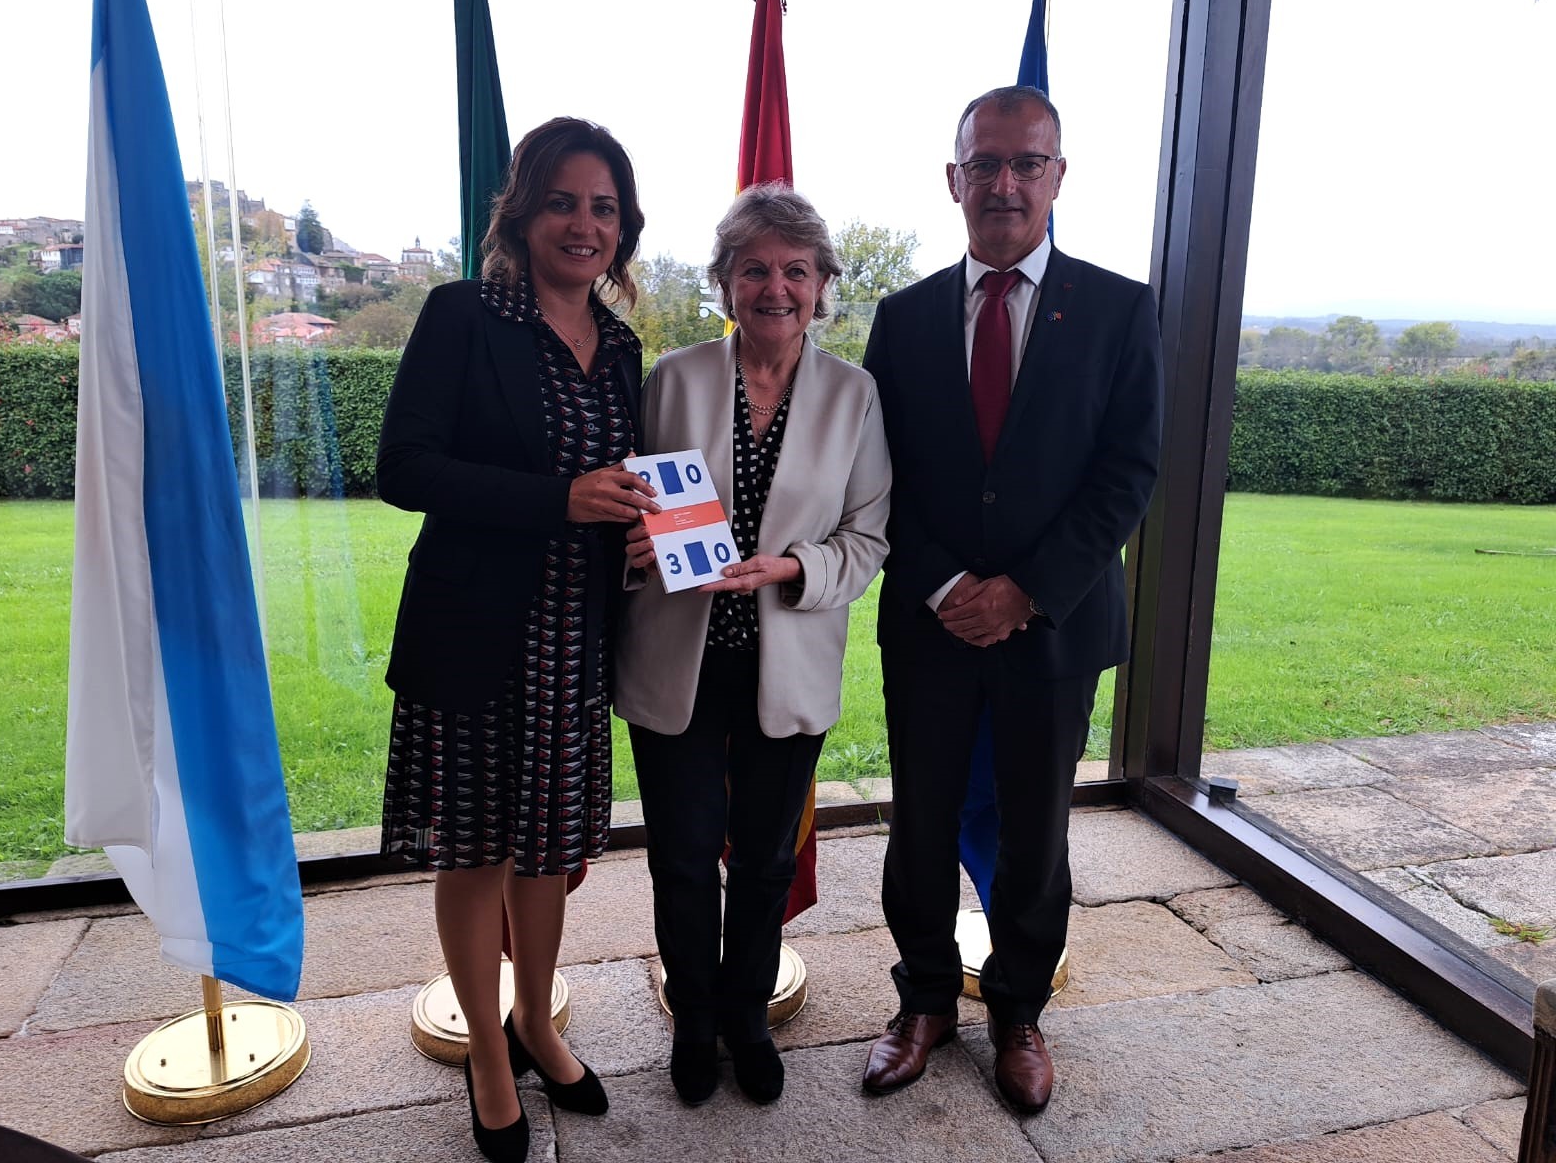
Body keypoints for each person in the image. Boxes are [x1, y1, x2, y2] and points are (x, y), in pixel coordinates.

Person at [860, 86, 1163, 1113]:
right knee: (920, 825)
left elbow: (1128, 471)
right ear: (953, 180)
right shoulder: (902, 318)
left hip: (1053, 629)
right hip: (932, 623)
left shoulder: (1120, 309)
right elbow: (877, 475)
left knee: (1035, 833)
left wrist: (1026, 592)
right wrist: (949, 583)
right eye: (984, 164)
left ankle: (1019, 1010)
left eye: (1026, 163)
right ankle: (922, 1002)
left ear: (1057, 176)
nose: (1004, 183)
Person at [375, 116, 658, 1163]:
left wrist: (640, 532)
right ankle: (488, 1054)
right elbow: (403, 467)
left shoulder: (621, 347)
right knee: (475, 849)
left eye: (604, 208)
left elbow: (620, 484)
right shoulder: (463, 314)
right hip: (474, 633)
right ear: (523, 212)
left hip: (576, 639)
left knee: (548, 850)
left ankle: (538, 1022)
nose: (585, 225)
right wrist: (559, 499)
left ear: (623, 228)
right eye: (564, 202)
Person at [614, 183, 891, 1107]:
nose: (777, 288)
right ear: (725, 282)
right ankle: (694, 1020)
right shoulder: (674, 378)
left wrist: (794, 568)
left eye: (796, 271)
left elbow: (867, 538)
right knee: (684, 856)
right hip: (678, 660)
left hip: (789, 659)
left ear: (822, 285)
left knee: (767, 859)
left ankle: (747, 1017)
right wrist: (635, 544)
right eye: (755, 269)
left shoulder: (854, 395)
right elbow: (633, 507)